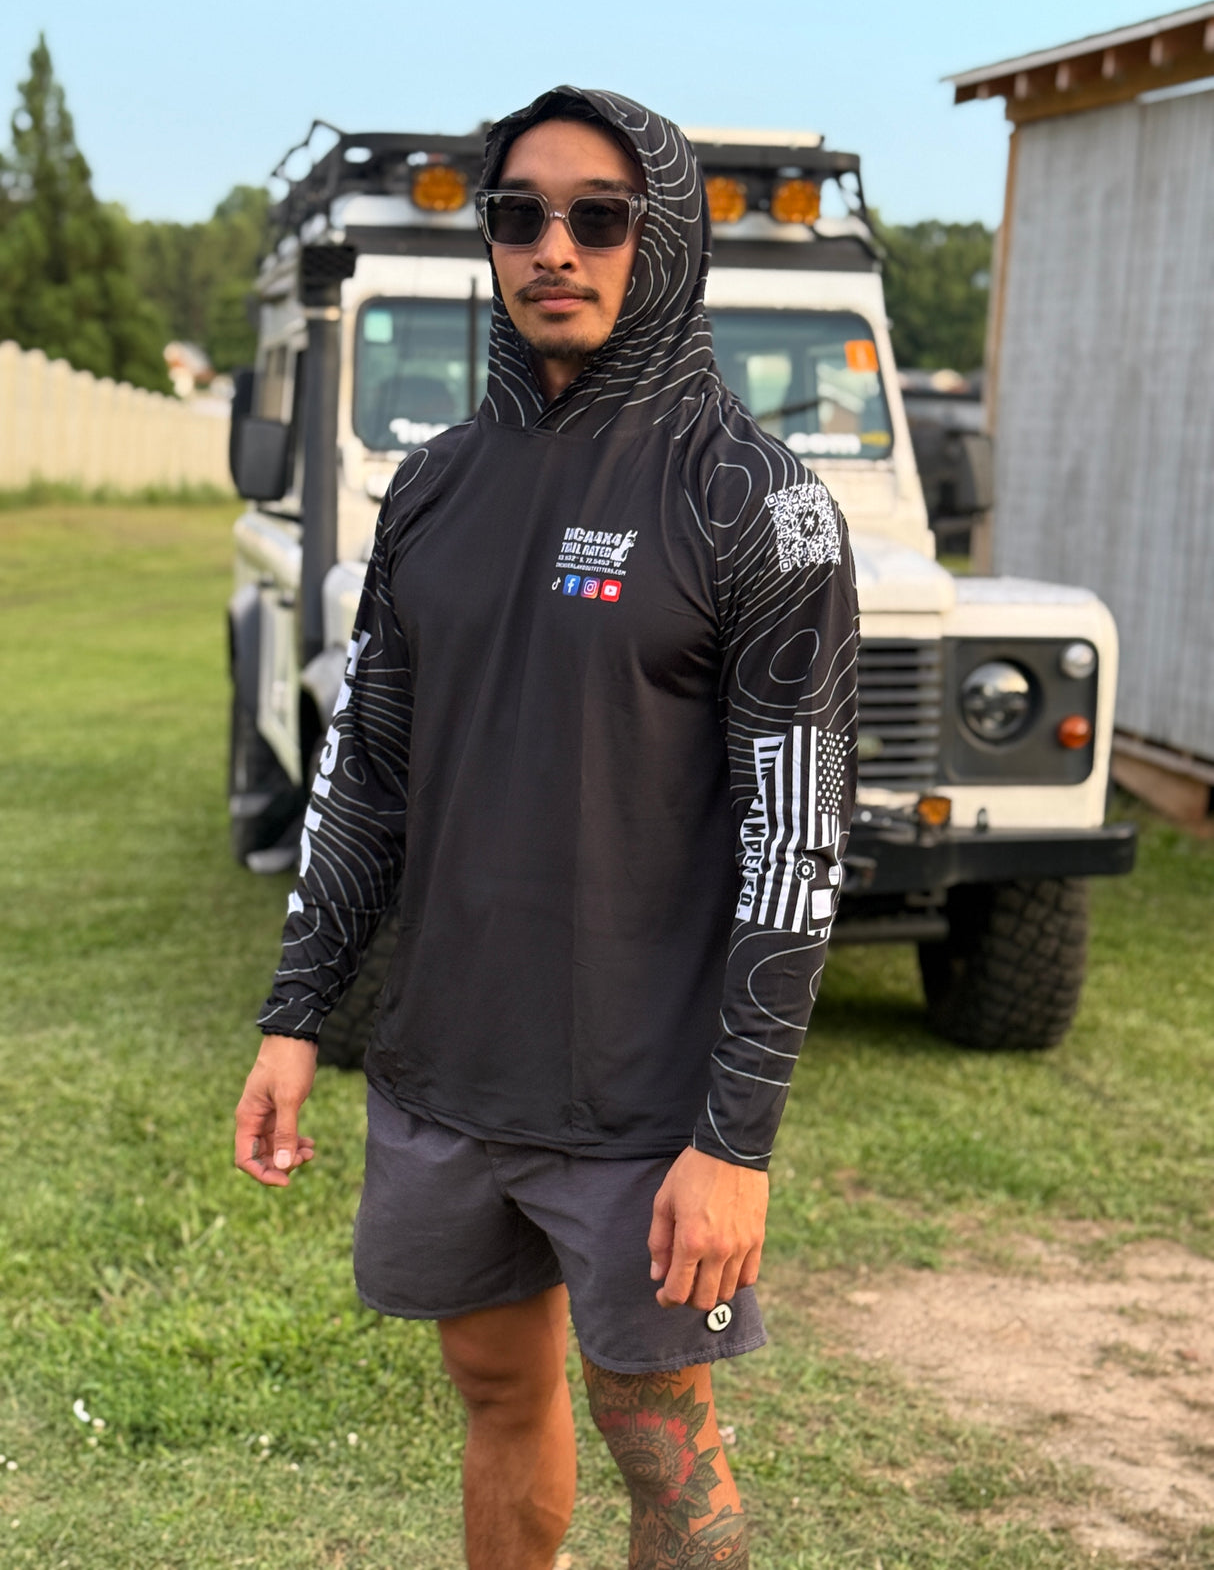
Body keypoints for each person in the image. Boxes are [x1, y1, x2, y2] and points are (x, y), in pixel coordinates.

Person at [235, 86, 859, 1570]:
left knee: (657, 1430)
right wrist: (297, 1015)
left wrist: (735, 1141)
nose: (552, 248)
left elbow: (798, 846)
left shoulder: (759, 504)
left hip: (644, 1107)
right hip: (448, 1068)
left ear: (667, 241)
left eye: (598, 215)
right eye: (517, 215)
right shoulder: (434, 485)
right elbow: (367, 769)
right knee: (492, 1384)